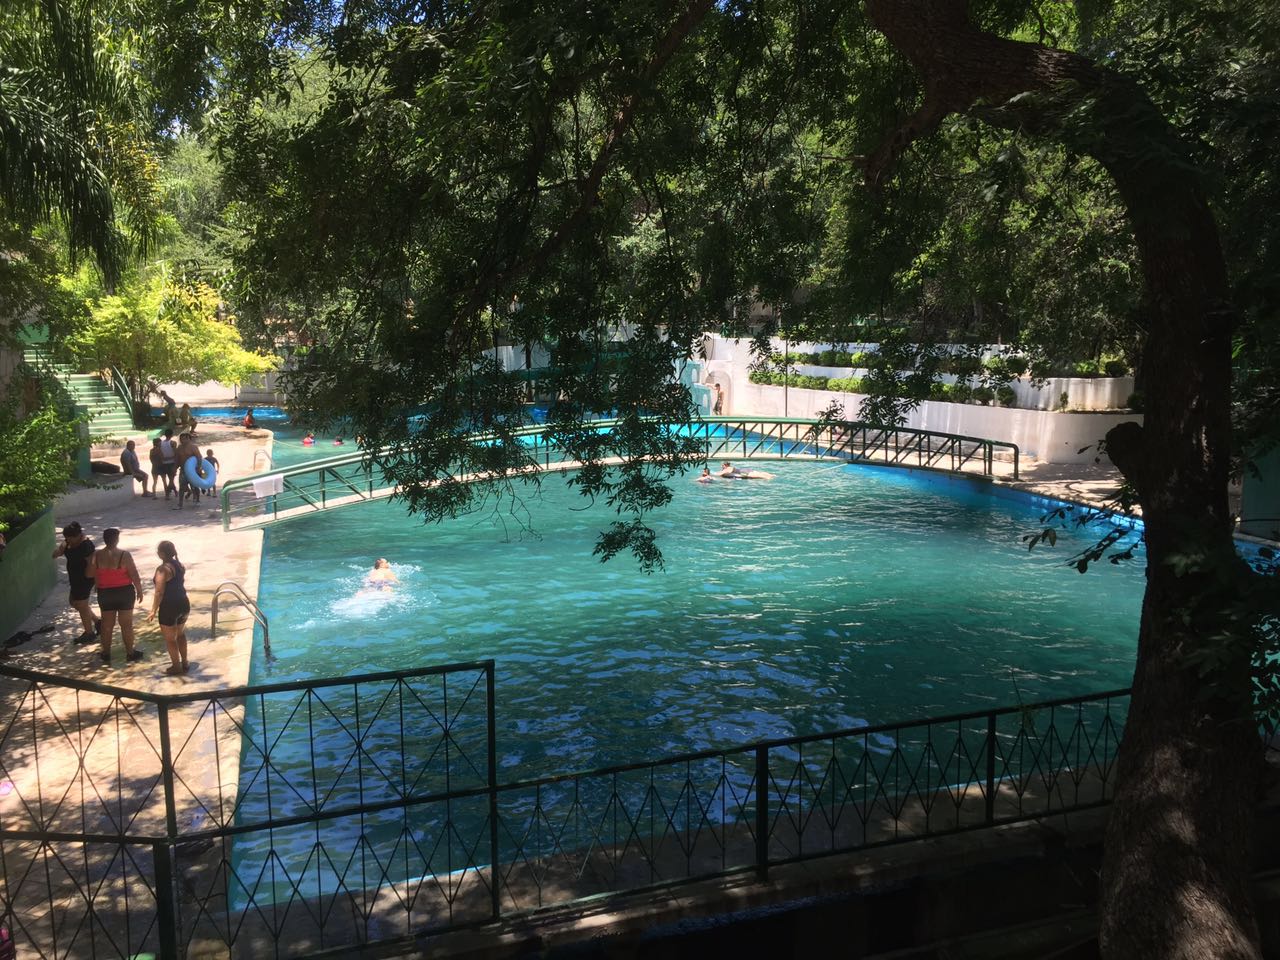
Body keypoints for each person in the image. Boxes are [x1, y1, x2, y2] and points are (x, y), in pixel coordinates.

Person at [87, 528, 145, 665]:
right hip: (124, 593)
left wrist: (99, 576)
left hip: (106, 594)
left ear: (104, 539)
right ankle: (130, 653)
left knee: (107, 625)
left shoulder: (97, 555)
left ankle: (106, 653)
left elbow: (89, 574)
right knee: (126, 625)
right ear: (117, 539)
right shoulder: (124, 555)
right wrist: (139, 590)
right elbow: (134, 574)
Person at [147, 540, 191, 675]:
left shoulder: (162, 569)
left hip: (169, 606)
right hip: (183, 603)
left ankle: (176, 666)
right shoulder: (180, 565)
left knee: (170, 639)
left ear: (161, 554)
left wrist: (153, 610)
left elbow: (159, 592)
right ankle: (184, 662)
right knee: (181, 634)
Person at [52, 522, 98, 644]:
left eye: (69, 538)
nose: (68, 540)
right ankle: (98, 622)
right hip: (75, 578)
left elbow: (92, 564)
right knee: (74, 602)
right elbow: (56, 553)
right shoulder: (67, 542)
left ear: (77, 535)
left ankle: (89, 633)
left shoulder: (86, 545)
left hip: (84, 579)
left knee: (81, 605)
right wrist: (62, 547)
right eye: (66, 538)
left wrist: (93, 580)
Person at [175, 431, 204, 509]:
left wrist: (198, 467)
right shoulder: (179, 448)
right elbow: (177, 459)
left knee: (194, 486)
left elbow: (199, 457)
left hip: (192, 470)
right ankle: (180, 504)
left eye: (184, 439)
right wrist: (175, 468)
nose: (182, 441)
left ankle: (197, 500)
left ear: (188, 439)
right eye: (181, 439)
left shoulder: (193, 447)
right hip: (183, 470)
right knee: (181, 487)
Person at [159, 429, 178, 498]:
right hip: (171, 463)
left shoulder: (160, 443)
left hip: (164, 463)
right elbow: (175, 453)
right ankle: (169, 493)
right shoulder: (173, 443)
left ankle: (173, 492)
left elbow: (160, 453)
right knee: (171, 479)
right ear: (171, 435)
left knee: (169, 480)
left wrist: (163, 459)